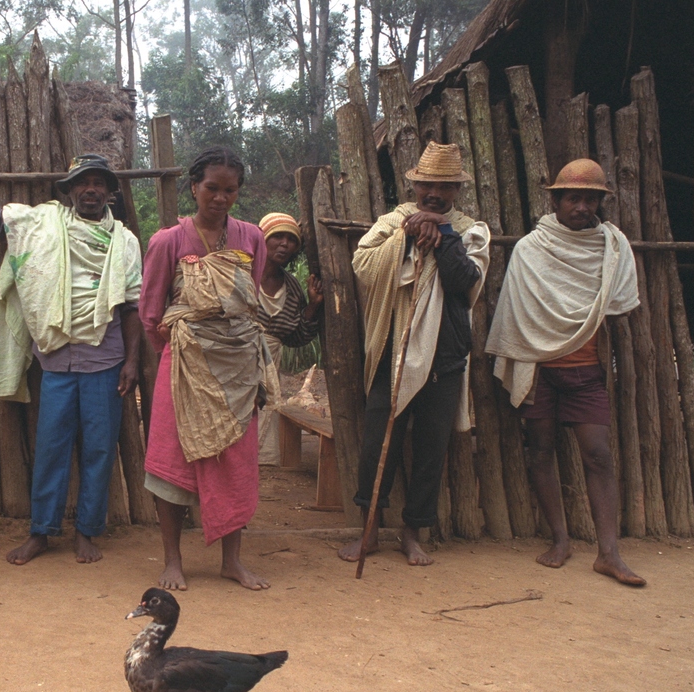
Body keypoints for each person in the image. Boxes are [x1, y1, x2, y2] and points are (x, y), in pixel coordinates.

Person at [0, 154, 143, 565]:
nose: (91, 190)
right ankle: (41, 532)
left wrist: (132, 361)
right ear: (69, 191)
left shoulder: (125, 242)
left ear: (110, 193)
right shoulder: (42, 224)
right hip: (56, 361)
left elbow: (132, 306)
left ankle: (86, 532)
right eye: (83, 183)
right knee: (51, 448)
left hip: (106, 360)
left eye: (99, 183)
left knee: (99, 450)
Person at [486, 159, 645, 586]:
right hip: (539, 372)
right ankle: (560, 540)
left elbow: (616, 311)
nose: (582, 206)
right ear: (555, 200)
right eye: (573, 197)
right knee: (539, 451)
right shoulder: (530, 249)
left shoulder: (612, 248)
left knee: (598, 454)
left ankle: (609, 553)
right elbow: (515, 316)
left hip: (587, 371)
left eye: (590, 198)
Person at [338, 141, 490, 567]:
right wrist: (406, 235)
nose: (435, 195)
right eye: (428, 186)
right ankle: (368, 531)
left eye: (445, 187)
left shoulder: (470, 229)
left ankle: (413, 533)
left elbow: (465, 283)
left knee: (430, 446)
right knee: (377, 441)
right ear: (416, 185)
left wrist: (441, 234)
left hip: (445, 355)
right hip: (393, 348)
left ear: (456, 190)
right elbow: (364, 264)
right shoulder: (392, 221)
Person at [139, 145, 280, 591]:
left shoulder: (252, 238)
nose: (220, 198)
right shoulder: (167, 241)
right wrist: (180, 354)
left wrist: (233, 351)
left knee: (235, 461)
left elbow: (247, 301)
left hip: (237, 366)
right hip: (180, 365)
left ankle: (231, 561)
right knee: (171, 461)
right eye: (212, 189)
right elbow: (150, 311)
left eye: (230, 190)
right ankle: (173, 561)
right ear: (194, 187)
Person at [256, 212, 323, 464]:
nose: (284, 244)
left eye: (291, 239)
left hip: (270, 365)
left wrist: (312, 307)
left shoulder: (293, 289)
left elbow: (296, 338)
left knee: (264, 419)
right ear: (261, 239)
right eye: (277, 237)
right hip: (235, 362)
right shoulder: (241, 276)